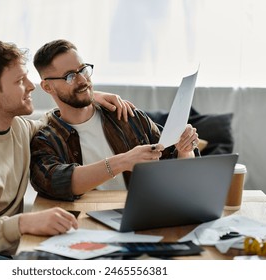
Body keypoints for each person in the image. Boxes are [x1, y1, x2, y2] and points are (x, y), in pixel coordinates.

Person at [0, 39, 134, 260]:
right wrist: (24, 223)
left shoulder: (17, 127)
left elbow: (53, 122)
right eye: (20, 80)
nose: (31, 85)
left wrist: (89, 97)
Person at [30, 39, 200, 201]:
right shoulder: (46, 139)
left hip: (143, 217)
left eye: (83, 70)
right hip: (83, 225)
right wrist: (123, 161)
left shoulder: (127, 117)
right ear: (47, 87)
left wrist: (185, 151)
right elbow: (54, 182)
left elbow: (177, 173)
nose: (82, 80)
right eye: (69, 76)